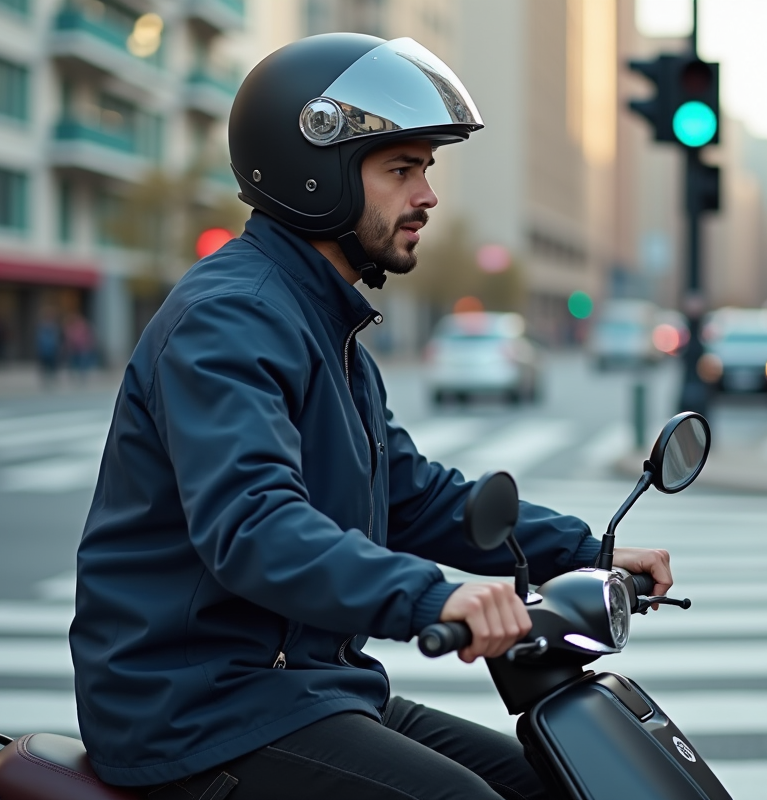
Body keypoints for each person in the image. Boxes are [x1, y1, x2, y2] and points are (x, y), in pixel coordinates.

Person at [70, 34, 673, 800]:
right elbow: (251, 524)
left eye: (426, 169)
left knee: (546, 781)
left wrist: (584, 552)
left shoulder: (325, 321)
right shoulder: (230, 317)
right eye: (400, 169)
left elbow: (409, 496)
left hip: (305, 685)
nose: (426, 195)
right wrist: (434, 597)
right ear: (313, 175)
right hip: (195, 705)